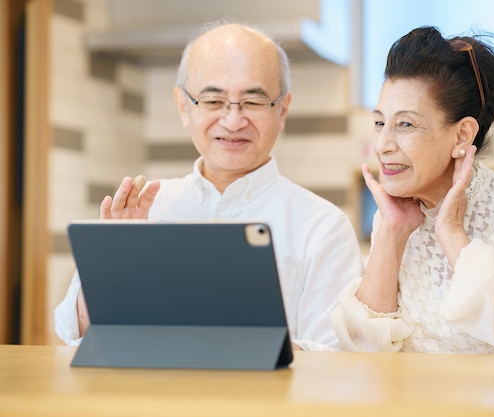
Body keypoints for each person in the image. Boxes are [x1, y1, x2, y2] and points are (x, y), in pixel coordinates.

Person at [55, 21, 364, 352]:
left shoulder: (322, 227)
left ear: (282, 109)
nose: (232, 121)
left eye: (253, 102)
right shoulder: (146, 211)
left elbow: (333, 359)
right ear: (183, 106)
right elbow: (76, 334)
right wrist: (110, 261)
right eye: (213, 101)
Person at [331, 26, 494, 355]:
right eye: (380, 122)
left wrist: (451, 231)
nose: (382, 145)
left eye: (405, 124)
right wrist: (392, 232)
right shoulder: (394, 218)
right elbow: (362, 352)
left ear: (462, 135)